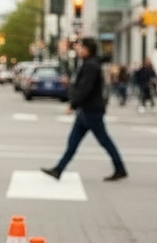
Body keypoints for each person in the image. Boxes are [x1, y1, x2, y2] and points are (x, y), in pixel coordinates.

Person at [41, 37, 128, 182]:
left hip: (91, 110)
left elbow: (85, 88)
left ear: (88, 49)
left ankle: (120, 168)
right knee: (73, 142)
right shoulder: (89, 64)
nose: (78, 50)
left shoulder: (91, 65)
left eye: (81, 47)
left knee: (104, 141)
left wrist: (73, 104)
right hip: (85, 110)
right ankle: (59, 169)